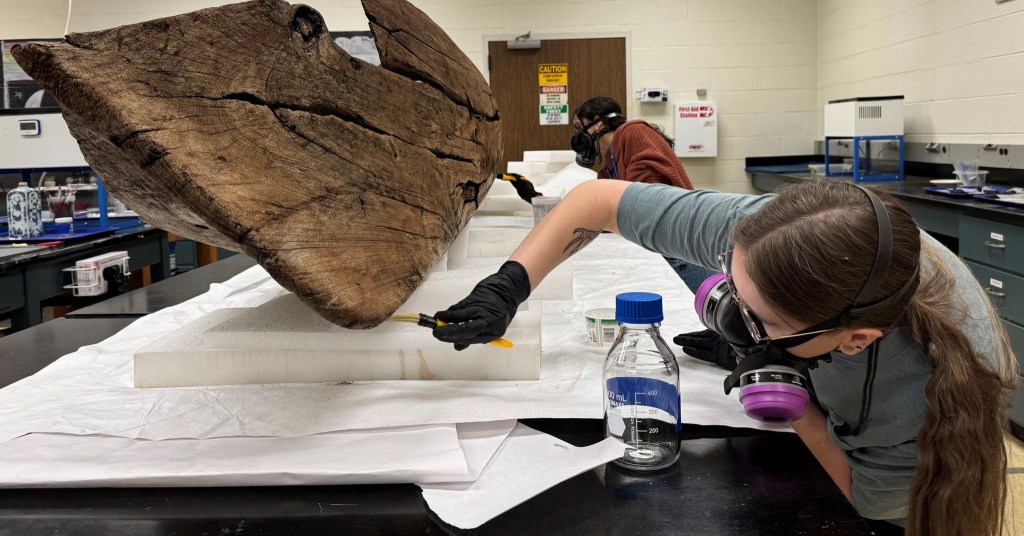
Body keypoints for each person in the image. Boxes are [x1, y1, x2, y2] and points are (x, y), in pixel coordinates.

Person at [431, 178, 1018, 535]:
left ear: (855, 340)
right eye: (731, 286)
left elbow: (865, 498)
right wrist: (508, 285)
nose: (731, 312)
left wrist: (796, 404)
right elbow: (597, 202)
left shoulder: (922, 392)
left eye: (761, 320)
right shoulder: (774, 237)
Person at [570, 96, 714, 292]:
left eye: (579, 126)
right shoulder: (608, 169)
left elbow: (648, 201)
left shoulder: (632, 131)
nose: (578, 135)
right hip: (660, 251)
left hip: (681, 250)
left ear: (597, 123)